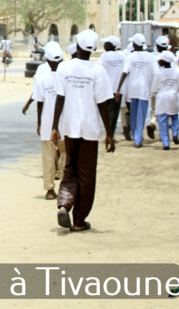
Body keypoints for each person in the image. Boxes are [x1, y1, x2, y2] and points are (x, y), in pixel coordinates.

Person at [51, 30, 115, 232]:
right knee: (86, 174)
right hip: (89, 129)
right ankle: (79, 221)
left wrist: (55, 126)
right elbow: (104, 104)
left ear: (76, 45)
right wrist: (109, 134)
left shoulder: (64, 67)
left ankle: (64, 204)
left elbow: (59, 98)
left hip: (70, 127)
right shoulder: (98, 71)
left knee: (70, 169)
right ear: (94, 50)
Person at [32, 41, 65, 200]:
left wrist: (39, 122)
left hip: (47, 123)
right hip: (65, 124)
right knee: (66, 154)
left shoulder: (42, 78)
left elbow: (39, 102)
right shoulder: (66, 76)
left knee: (48, 156)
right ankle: (66, 185)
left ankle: (50, 190)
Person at [115, 33, 154, 148]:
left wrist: (118, 88)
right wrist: (153, 88)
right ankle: (137, 137)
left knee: (135, 114)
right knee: (141, 114)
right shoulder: (149, 56)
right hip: (144, 90)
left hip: (133, 89)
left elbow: (124, 72)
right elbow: (156, 73)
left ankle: (137, 138)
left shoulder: (130, 57)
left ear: (134, 44)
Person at [150, 50, 179, 150]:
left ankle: (166, 143)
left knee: (162, 121)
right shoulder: (176, 72)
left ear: (164, 61)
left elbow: (154, 88)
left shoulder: (159, 73)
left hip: (162, 98)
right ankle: (175, 134)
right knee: (175, 117)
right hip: (173, 97)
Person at [96, 36, 125, 140]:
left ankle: (109, 134)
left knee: (107, 112)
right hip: (118, 89)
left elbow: (98, 69)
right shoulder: (122, 56)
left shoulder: (104, 56)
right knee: (114, 113)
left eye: (106, 43)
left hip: (107, 89)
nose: (104, 45)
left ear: (111, 45)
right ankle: (111, 134)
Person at [146, 35, 172, 140]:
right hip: (165, 88)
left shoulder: (151, 56)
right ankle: (161, 131)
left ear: (157, 45)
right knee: (164, 111)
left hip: (153, 85)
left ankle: (152, 122)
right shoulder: (169, 58)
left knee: (153, 108)